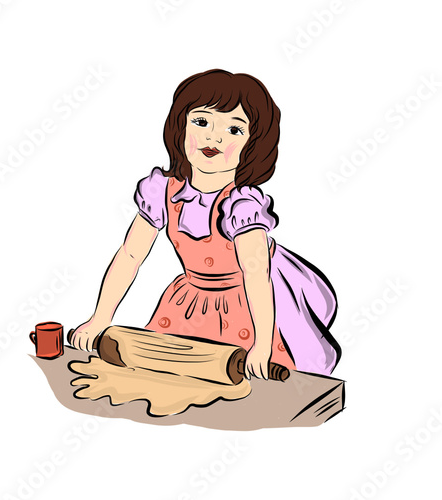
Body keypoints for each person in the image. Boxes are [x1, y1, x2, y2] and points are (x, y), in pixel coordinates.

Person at [70, 69, 341, 378]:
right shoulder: (162, 191)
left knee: (236, 382)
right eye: (201, 122)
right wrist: (100, 318)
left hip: (247, 307)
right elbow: (131, 255)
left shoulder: (241, 206)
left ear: (254, 144)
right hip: (188, 301)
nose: (214, 137)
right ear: (180, 128)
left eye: (235, 130)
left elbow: (256, 274)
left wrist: (262, 345)